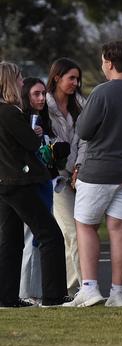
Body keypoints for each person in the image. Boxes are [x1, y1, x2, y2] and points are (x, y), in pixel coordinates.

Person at [64, 41, 122, 308]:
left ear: (110, 63)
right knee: (121, 228)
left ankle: (89, 287)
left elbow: (85, 130)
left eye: (103, 61)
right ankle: (117, 293)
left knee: (86, 225)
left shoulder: (102, 92)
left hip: (101, 167)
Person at [0, 61, 69, 308]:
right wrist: (36, 134)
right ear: (10, 81)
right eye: (19, 78)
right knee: (50, 234)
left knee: (11, 239)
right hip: (20, 181)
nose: (22, 82)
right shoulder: (11, 112)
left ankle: (6, 297)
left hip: (4, 181)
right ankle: (54, 295)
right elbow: (30, 143)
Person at [46, 57, 85, 296]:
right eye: (71, 78)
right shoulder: (43, 105)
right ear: (57, 77)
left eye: (77, 78)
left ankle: (70, 287)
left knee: (72, 232)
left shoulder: (80, 104)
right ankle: (82, 286)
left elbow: (85, 140)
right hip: (54, 178)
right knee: (72, 231)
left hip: (77, 175)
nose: (75, 82)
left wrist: (78, 168)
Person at [18, 77, 52, 304]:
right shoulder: (21, 119)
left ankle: (37, 290)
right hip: (28, 184)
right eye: (36, 94)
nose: (41, 98)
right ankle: (25, 292)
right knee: (30, 237)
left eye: (43, 93)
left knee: (40, 239)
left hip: (45, 183)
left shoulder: (43, 119)